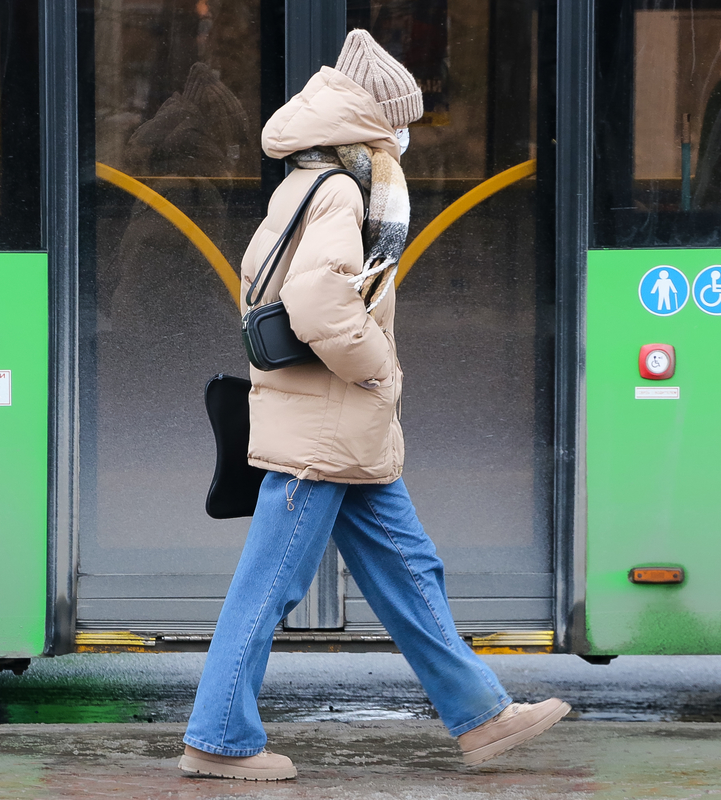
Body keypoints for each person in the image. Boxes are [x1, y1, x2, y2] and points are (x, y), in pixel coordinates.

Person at [177, 30, 570, 782]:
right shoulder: (340, 188)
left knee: (412, 568)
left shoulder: (315, 176)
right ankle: (217, 737)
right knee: (270, 586)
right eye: (403, 124)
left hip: (340, 424)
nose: (407, 141)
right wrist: (378, 368)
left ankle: (481, 717)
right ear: (375, 121)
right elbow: (319, 298)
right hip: (325, 425)